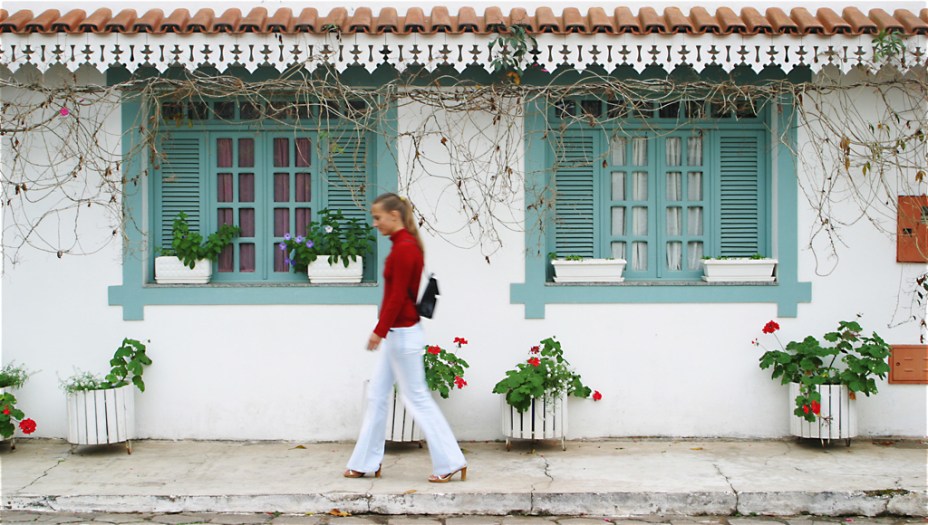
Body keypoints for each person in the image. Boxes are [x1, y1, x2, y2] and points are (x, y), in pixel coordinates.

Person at [344, 193, 467, 483]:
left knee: (418, 399)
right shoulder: (403, 246)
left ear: (394, 216)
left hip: (402, 335)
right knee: (377, 396)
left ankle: (450, 460)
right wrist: (384, 330)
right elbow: (395, 296)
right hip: (398, 335)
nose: (375, 223)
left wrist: (379, 330)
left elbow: (398, 297)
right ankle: (365, 462)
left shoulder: (404, 249)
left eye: (378, 217)